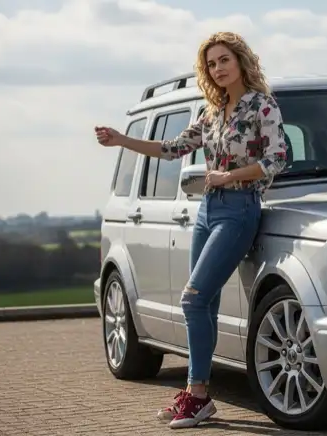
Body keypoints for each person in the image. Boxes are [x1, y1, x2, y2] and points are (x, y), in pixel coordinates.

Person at [93, 31, 288, 429]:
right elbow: (171, 149)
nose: (218, 69)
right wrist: (120, 141)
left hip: (239, 210)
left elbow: (278, 158)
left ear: (241, 62)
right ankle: (195, 395)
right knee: (206, 303)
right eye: (211, 63)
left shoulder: (261, 106)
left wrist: (226, 175)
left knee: (192, 300)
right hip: (206, 211)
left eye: (224, 60)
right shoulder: (213, 112)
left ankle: (198, 395)